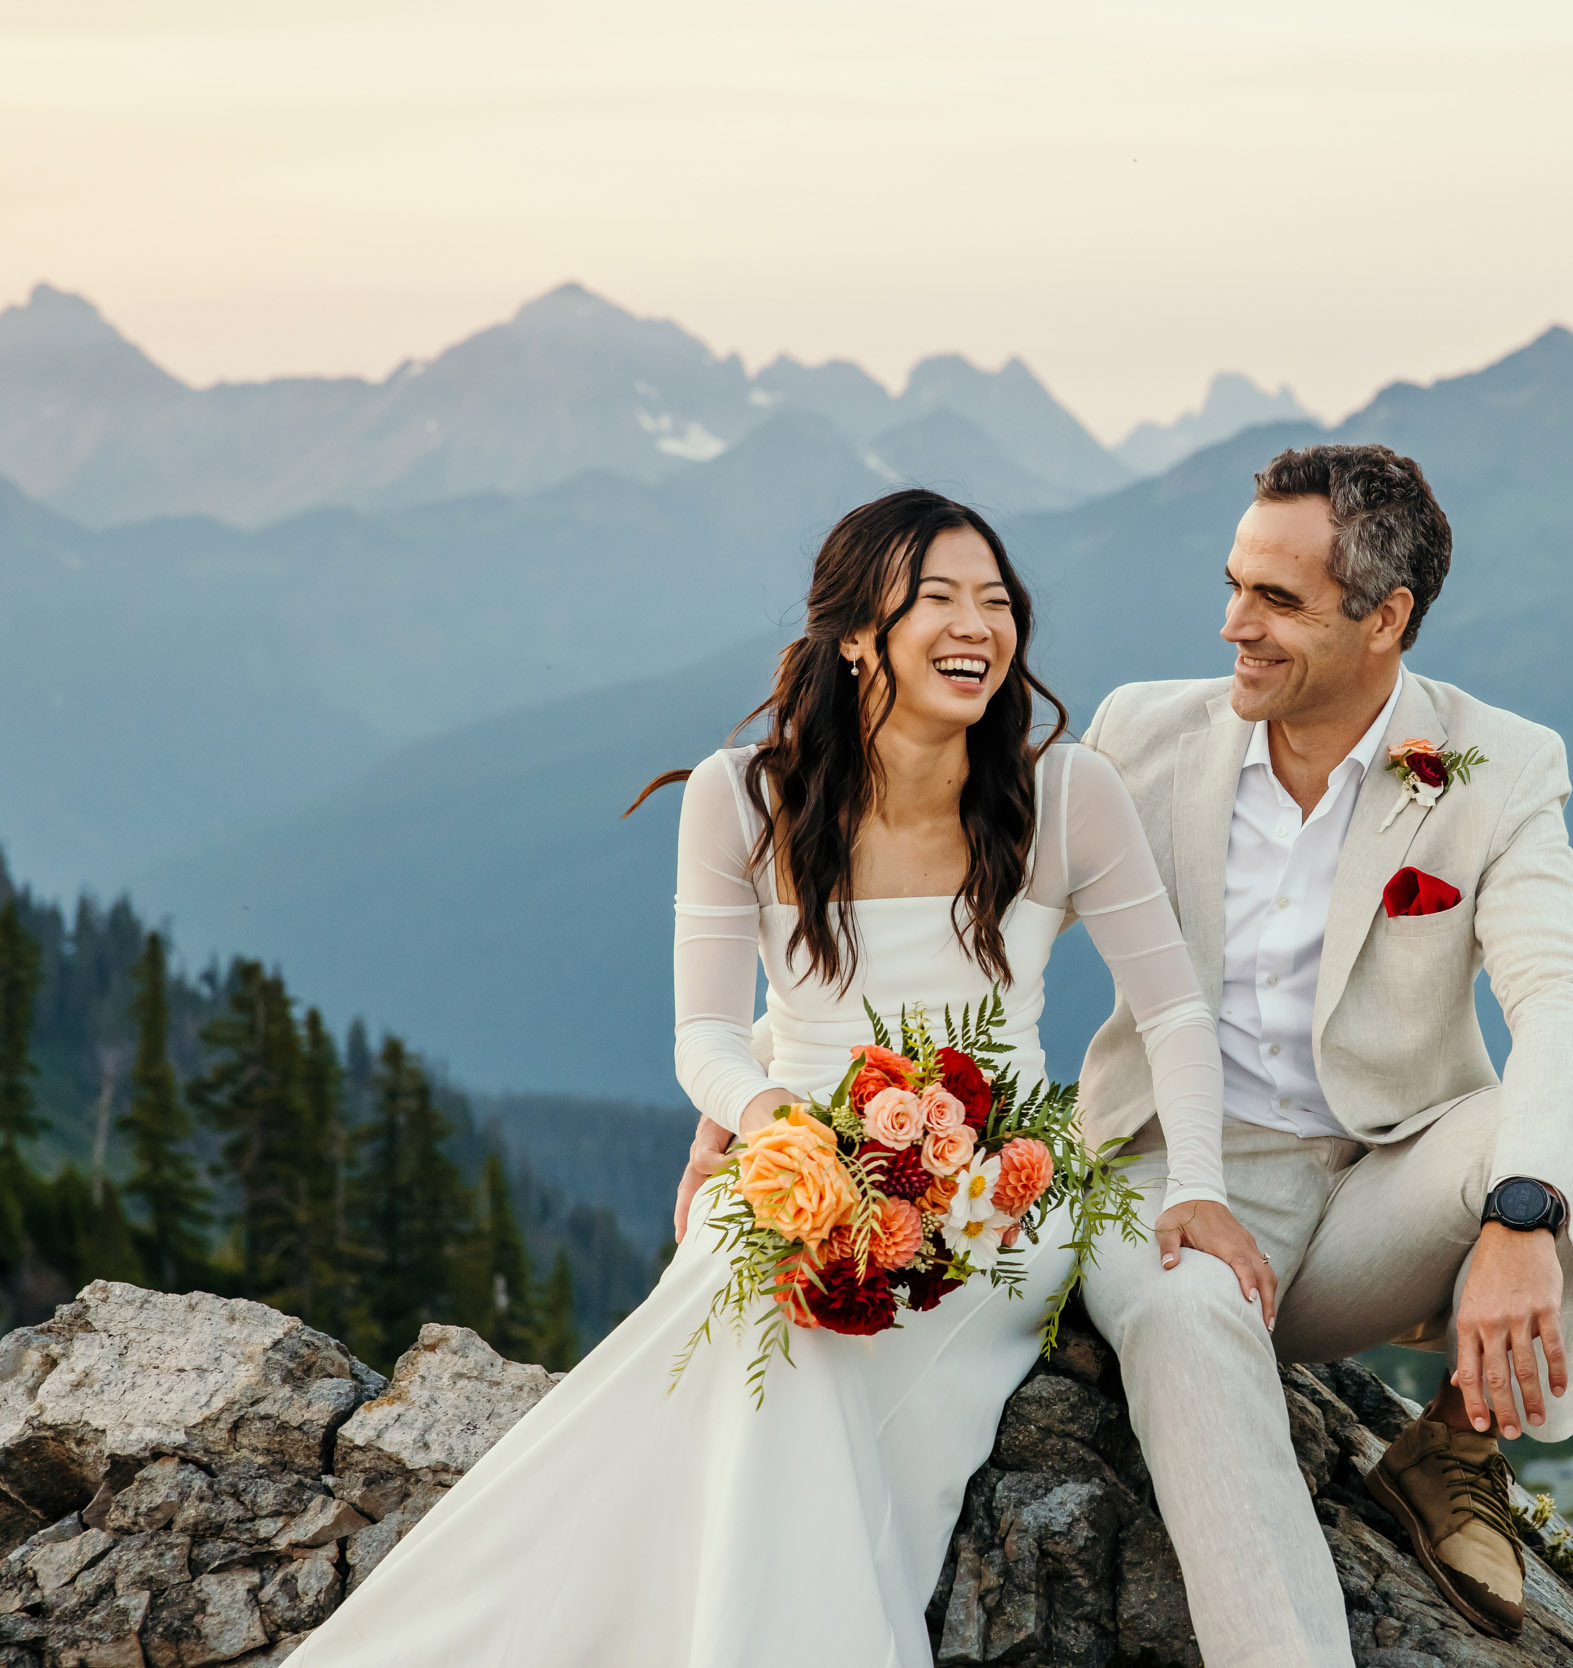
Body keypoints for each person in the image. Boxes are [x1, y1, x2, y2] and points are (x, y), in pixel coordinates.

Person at [289, 489, 1264, 1668]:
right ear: (859, 632)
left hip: (994, 1195)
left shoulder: (1065, 793)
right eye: (940, 598)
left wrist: (1196, 1184)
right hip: (795, 1168)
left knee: (800, 1341)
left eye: (997, 602)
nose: (979, 627)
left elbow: (1170, 1006)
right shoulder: (741, 794)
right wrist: (775, 1132)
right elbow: (703, 1034)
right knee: (767, 1298)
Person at [1076, 443, 1573, 1664]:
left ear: (1387, 619)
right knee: (1182, 1322)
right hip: (1178, 1173)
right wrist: (766, 1087)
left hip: (1384, 1188)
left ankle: (1453, 1447)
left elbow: (1571, 999)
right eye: (1234, 584)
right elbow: (953, 909)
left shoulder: (1497, 765)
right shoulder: (1140, 734)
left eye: (1276, 601)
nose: (1235, 625)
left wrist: (1521, 1214)